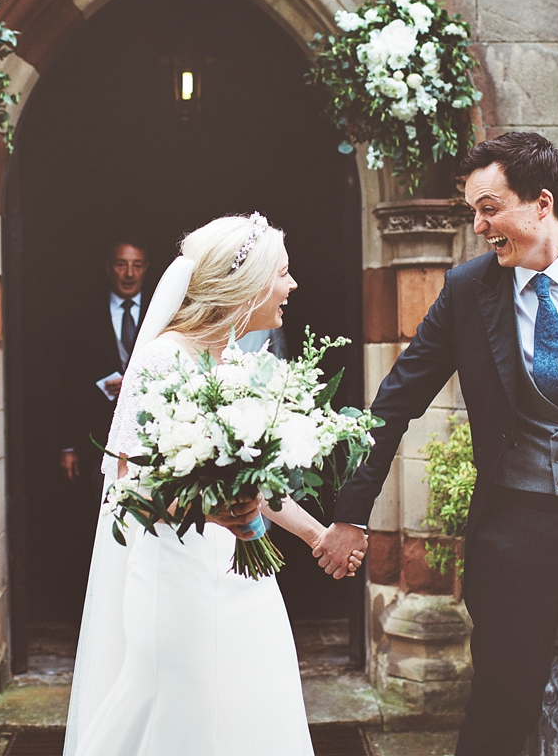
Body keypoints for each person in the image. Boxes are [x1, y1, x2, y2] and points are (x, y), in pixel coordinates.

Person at [314, 133, 558, 755]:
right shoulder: (470, 290)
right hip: (517, 523)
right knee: (500, 704)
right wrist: (351, 514)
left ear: (542, 204)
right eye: (473, 211)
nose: (478, 226)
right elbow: (395, 400)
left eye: (489, 209)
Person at [63, 214, 368, 756]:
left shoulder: (243, 362)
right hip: (173, 574)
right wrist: (211, 512)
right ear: (246, 283)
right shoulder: (162, 358)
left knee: (252, 700)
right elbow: (127, 487)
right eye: (283, 272)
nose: (292, 285)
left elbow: (257, 484)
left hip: (239, 569)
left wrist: (316, 535)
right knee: (178, 710)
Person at [59, 237, 150, 488]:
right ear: (109, 267)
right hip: (95, 436)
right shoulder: (84, 313)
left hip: (149, 434)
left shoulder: (161, 312)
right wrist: (68, 446)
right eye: (122, 264)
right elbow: (69, 380)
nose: (129, 273)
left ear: (146, 268)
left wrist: (135, 384)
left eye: (137, 265)